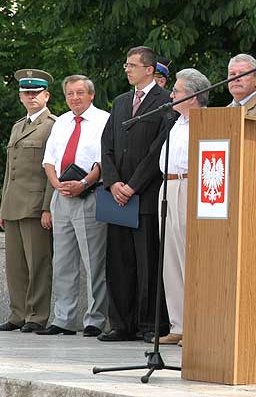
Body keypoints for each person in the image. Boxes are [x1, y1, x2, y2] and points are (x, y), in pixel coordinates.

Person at [99, 46, 171, 342]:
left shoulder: (165, 101)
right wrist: (114, 182)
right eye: (126, 64)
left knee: (147, 261)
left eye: (132, 65)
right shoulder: (120, 102)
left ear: (149, 69)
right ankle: (121, 323)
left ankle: (148, 324)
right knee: (119, 262)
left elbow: (159, 149)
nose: (127, 70)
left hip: (146, 195)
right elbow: (108, 144)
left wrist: (133, 185)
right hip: (117, 197)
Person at [37, 75, 109, 337]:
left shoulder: (103, 120)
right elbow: (49, 160)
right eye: (69, 94)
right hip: (61, 197)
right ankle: (63, 319)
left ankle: (95, 319)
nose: (75, 98)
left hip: (89, 195)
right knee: (63, 261)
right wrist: (56, 184)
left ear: (91, 95)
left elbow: (104, 160)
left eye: (80, 93)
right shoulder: (62, 121)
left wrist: (84, 183)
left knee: (93, 261)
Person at [155, 68, 210, 347]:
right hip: (169, 185)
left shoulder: (206, 122)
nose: (171, 95)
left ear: (192, 96)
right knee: (171, 257)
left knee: (190, 255)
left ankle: (195, 324)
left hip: (191, 186)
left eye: (176, 91)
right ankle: (178, 323)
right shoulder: (176, 122)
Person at [0, 69, 56, 333]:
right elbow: (10, 172)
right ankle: (17, 313)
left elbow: (51, 169)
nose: (31, 97)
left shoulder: (53, 125)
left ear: (46, 96)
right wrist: (3, 205)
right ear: (21, 96)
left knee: (38, 263)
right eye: (26, 92)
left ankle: (36, 315)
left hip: (35, 206)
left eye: (36, 93)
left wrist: (47, 206)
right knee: (15, 266)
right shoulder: (17, 126)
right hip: (13, 204)